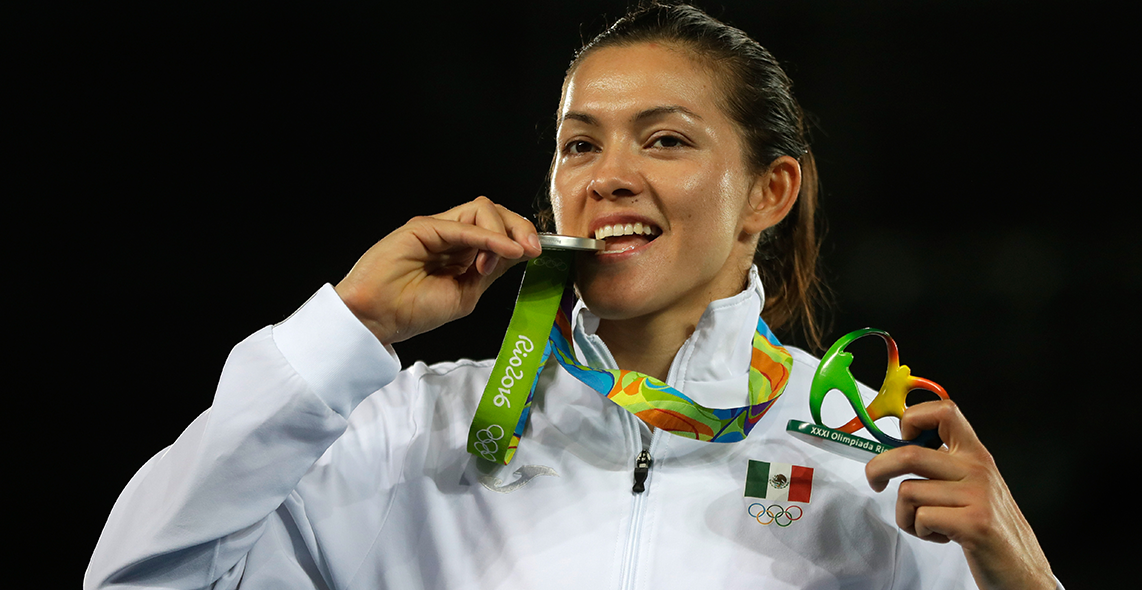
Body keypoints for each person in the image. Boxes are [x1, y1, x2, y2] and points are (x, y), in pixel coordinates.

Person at [86, 3, 1059, 589]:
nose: (609, 174)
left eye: (666, 138)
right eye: (579, 142)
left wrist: (1025, 575)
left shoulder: (867, 462)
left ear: (770, 191)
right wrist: (351, 328)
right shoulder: (412, 436)